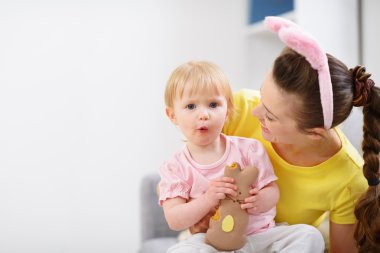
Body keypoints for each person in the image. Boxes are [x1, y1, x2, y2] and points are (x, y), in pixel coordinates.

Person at [223, 16, 380, 253]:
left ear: (315, 133)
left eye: (270, 116)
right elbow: (180, 175)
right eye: (262, 97)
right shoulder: (239, 107)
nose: (255, 112)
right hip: (221, 234)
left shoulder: (349, 179)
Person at [159, 60, 325, 253]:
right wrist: (208, 199)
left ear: (227, 111)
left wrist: (260, 200)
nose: (203, 114)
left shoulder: (249, 149)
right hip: (212, 243)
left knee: (308, 235)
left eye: (213, 104)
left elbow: (272, 190)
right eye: (190, 106)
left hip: (260, 236)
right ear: (172, 115)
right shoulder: (174, 166)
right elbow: (175, 220)